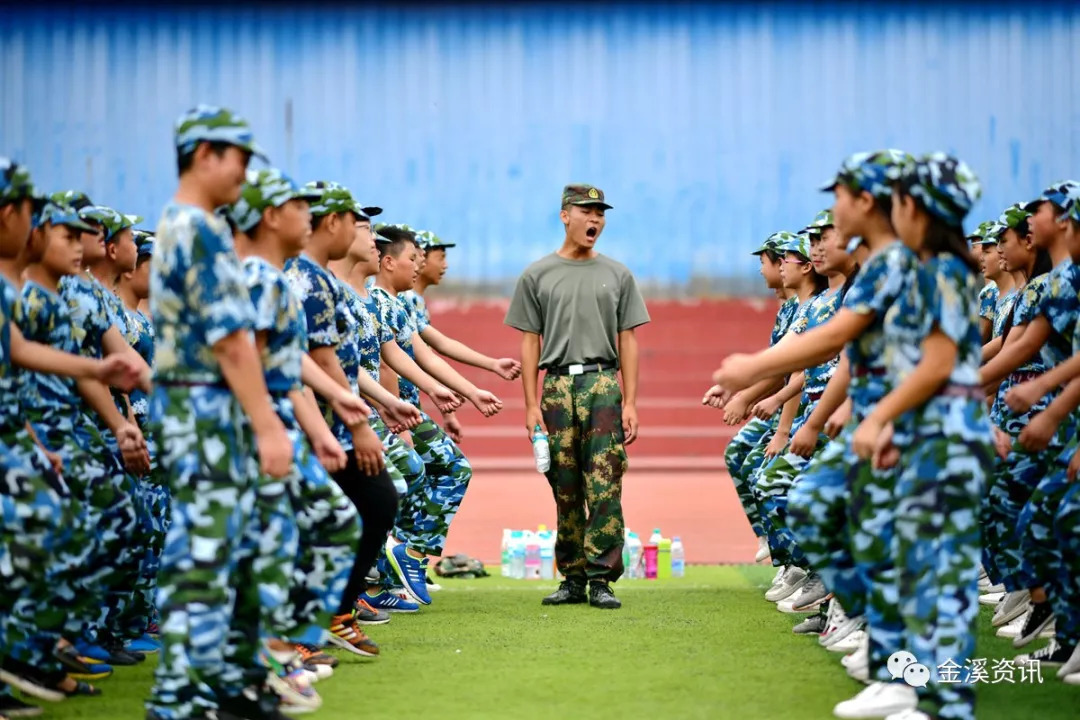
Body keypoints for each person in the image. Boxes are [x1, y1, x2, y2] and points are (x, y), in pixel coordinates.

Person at [145, 104, 295, 720]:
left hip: (195, 406)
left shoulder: (182, 224)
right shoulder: (200, 230)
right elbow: (231, 340)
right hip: (203, 406)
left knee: (218, 549)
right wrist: (266, 426)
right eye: (237, 157)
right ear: (204, 154)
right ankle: (179, 697)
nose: (243, 173)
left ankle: (216, 683)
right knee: (204, 554)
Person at [850, 153, 990, 720]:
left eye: (899, 201)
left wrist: (879, 416)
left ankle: (951, 705)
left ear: (914, 208)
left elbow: (934, 366)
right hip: (928, 438)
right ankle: (921, 693)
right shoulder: (932, 272)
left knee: (948, 580)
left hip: (949, 442)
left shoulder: (944, 275)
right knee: (921, 574)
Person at [505, 184, 650, 610]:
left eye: (600, 213)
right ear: (565, 215)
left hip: (602, 384)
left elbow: (629, 340)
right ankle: (571, 576)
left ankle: (601, 578)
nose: (596, 220)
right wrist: (530, 404)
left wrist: (630, 401)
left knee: (605, 484)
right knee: (563, 486)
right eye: (587, 212)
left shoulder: (618, 275)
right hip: (556, 388)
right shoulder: (537, 275)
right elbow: (530, 341)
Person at [369, 224, 501, 607]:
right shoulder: (374, 300)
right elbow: (384, 366)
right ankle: (392, 565)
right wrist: (392, 411)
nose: (423, 263)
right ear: (388, 259)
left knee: (441, 469)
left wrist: (468, 390)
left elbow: (421, 354)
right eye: (417, 257)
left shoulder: (395, 303)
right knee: (403, 477)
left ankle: (403, 559)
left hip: (401, 406)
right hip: (381, 407)